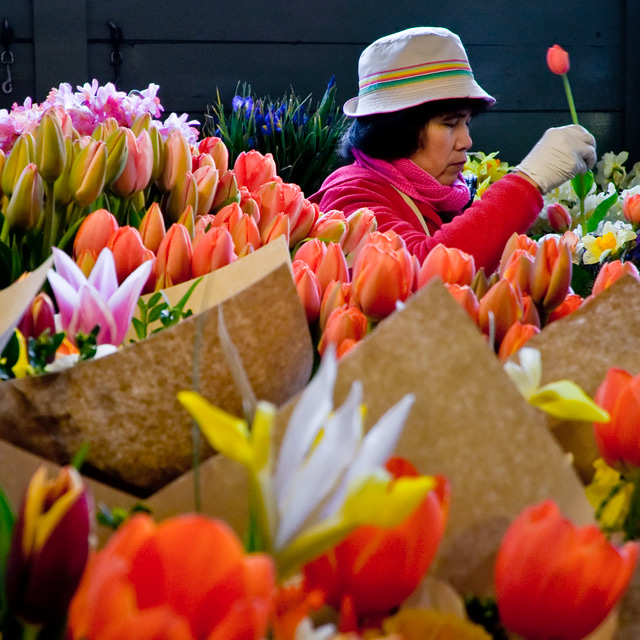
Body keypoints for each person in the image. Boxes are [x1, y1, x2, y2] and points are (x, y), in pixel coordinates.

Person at [310, 27, 597, 272]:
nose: (466, 142)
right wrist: (527, 182)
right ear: (396, 129)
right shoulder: (350, 196)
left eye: (467, 122)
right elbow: (424, 271)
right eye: (449, 124)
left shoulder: (439, 192)